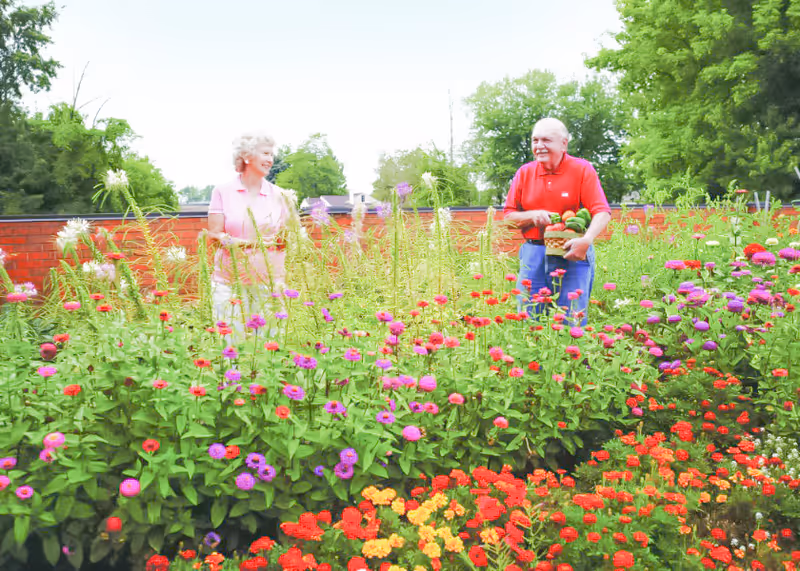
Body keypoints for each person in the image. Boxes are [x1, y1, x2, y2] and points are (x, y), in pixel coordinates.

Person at [503, 117, 611, 322]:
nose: (539, 146)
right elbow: (508, 217)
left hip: (572, 253)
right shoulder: (524, 173)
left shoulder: (582, 169)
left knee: (572, 321)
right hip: (533, 253)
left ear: (564, 143)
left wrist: (586, 241)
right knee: (528, 319)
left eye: (546, 140)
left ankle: (571, 355)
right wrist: (531, 215)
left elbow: (602, 211)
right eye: (535, 140)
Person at [207, 132, 299, 324]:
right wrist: (252, 244)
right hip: (228, 282)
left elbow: (287, 239)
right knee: (230, 343)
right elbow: (214, 236)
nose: (270, 160)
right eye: (265, 153)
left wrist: (290, 237)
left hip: (269, 282)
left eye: (271, 155)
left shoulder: (281, 195)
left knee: (271, 343)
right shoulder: (222, 191)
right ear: (247, 156)